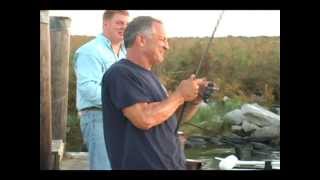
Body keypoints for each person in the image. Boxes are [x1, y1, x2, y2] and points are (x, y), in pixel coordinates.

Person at [101, 16, 210, 170]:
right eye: (162, 39)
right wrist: (179, 95)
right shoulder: (120, 73)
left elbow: (170, 117)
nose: (167, 46)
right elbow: (144, 118)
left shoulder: (151, 77)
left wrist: (194, 100)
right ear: (141, 40)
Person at [74, 10, 129, 170]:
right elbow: (88, 89)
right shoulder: (90, 51)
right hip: (97, 116)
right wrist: (123, 101)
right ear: (106, 24)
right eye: (119, 23)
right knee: (103, 167)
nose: (124, 28)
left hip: (123, 116)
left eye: (127, 24)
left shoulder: (126, 53)